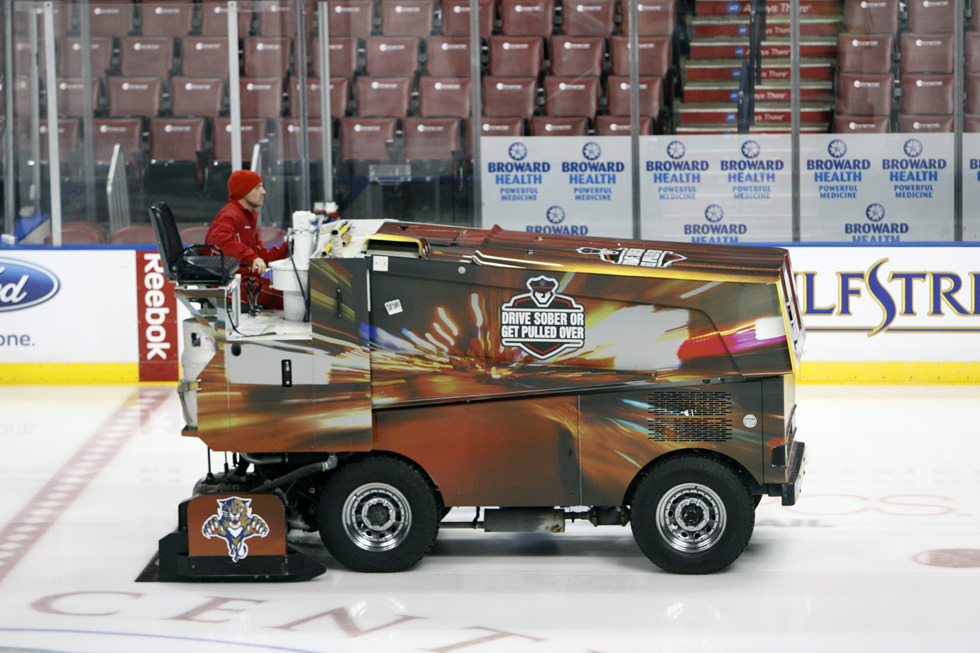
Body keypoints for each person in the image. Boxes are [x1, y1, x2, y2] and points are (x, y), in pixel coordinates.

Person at [205, 170, 288, 309]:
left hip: (245, 281)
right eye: (257, 187)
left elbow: (262, 256)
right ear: (243, 191)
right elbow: (220, 242)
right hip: (234, 287)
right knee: (293, 299)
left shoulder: (246, 217)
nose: (264, 191)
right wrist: (251, 257)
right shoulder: (230, 215)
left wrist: (289, 248)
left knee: (292, 292)